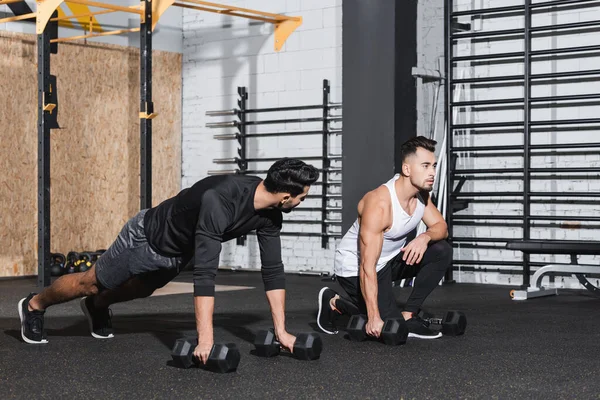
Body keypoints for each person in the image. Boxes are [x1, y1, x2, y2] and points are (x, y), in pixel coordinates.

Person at [19, 158, 319, 363]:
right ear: (285, 196)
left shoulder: (270, 216)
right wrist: (206, 341)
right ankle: (34, 305)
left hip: (176, 252)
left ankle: (97, 307)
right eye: (301, 197)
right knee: (91, 283)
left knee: (140, 290)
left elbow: (273, 272)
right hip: (146, 238)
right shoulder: (221, 199)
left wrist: (281, 332)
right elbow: (205, 275)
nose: (301, 201)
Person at [317, 136, 452, 339]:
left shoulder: (421, 195)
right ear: (407, 170)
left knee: (441, 250)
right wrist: (373, 317)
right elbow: (366, 266)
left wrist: (424, 237)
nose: (432, 172)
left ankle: (408, 314)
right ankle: (335, 302)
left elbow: (441, 227)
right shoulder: (379, 204)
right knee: (390, 328)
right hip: (355, 268)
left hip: (388, 262)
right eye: (425, 166)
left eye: (433, 166)